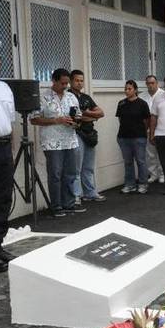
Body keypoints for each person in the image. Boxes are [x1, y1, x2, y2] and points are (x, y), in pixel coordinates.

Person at [30, 68, 85, 217]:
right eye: (62, 83)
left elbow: (79, 117)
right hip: (52, 142)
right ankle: (56, 206)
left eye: (67, 83)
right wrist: (57, 120)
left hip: (70, 140)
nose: (65, 86)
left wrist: (75, 122)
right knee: (55, 174)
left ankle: (69, 203)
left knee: (70, 173)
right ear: (53, 81)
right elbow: (34, 119)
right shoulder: (43, 97)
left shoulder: (71, 97)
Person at [68, 69, 105, 203]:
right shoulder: (68, 97)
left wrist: (87, 114)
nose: (79, 83)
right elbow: (75, 117)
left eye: (81, 80)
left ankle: (90, 193)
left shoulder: (86, 97)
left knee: (88, 167)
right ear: (71, 81)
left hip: (90, 135)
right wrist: (90, 115)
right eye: (77, 80)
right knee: (76, 168)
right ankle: (76, 196)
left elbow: (101, 113)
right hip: (76, 134)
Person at [0, 39, 16, 271]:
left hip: (2, 148)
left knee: (2, 198)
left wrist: (10, 149)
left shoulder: (4, 88)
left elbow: (9, 122)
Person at [116, 80, 150, 194]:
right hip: (123, 137)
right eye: (125, 89)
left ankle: (143, 184)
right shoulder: (121, 103)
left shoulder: (142, 103)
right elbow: (120, 119)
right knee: (128, 162)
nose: (127, 91)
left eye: (129, 89)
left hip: (139, 137)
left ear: (135, 90)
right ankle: (130, 184)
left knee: (141, 161)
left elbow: (146, 120)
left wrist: (142, 131)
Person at [141, 75, 164, 184]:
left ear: (157, 83)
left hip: (161, 128)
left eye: (152, 83)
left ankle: (162, 174)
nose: (150, 85)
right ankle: (153, 174)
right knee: (150, 153)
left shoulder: (163, 95)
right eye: (148, 83)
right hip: (147, 128)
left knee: (161, 152)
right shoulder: (142, 96)